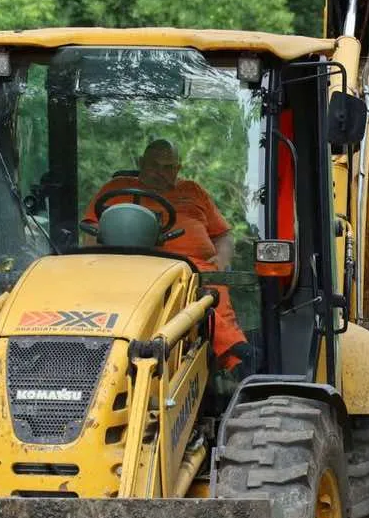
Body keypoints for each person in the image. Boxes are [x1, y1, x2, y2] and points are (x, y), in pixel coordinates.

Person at [85, 139, 249, 370]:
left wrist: (222, 258)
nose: (161, 173)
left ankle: (236, 361)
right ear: (141, 163)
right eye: (154, 165)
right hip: (133, 267)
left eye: (168, 168)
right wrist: (99, 262)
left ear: (178, 169)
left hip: (196, 270)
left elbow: (223, 235)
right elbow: (91, 229)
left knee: (211, 290)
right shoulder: (116, 188)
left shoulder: (193, 191)